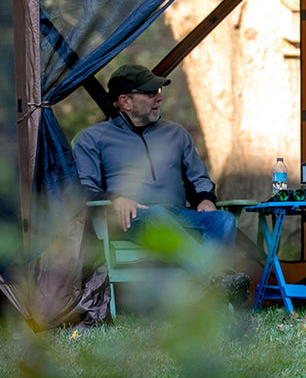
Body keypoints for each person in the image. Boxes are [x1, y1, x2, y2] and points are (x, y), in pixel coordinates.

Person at [73, 63, 250, 308]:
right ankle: (220, 283)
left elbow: (199, 178)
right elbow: (85, 187)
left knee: (223, 220)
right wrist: (116, 198)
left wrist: (205, 199)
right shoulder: (93, 138)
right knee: (155, 214)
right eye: (150, 93)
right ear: (125, 102)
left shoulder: (176, 134)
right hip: (129, 220)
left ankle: (213, 291)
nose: (159, 97)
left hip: (176, 216)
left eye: (158, 91)